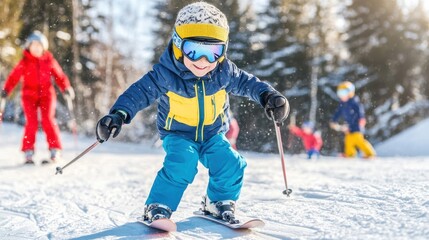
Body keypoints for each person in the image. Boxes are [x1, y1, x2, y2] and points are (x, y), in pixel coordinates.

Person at [95, 2, 289, 224]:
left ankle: (218, 202)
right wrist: (119, 114)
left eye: (214, 52)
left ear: (223, 51)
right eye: (193, 51)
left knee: (231, 163)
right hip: (178, 134)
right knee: (182, 163)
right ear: (178, 46)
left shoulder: (225, 72)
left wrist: (268, 96)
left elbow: (249, 84)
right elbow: (139, 93)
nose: (203, 61)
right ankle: (158, 206)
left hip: (213, 134)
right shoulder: (166, 75)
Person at [1, 31, 74, 164]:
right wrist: (6, 90)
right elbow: (14, 77)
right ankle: (28, 152)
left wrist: (66, 88)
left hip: (47, 94)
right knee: (32, 122)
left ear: (43, 47)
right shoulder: (25, 61)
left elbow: (60, 76)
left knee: (48, 120)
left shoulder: (49, 60)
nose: (36, 48)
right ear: (28, 46)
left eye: (39, 45)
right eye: (33, 45)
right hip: (29, 95)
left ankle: (55, 150)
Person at [329, 81, 376, 158]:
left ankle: (370, 153)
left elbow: (360, 110)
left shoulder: (354, 102)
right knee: (348, 140)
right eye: (340, 93)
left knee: (359, 141)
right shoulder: (342, 104)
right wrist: (333, 120)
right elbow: (338, 113)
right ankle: (350, 154)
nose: (342, 95)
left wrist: (361, 118)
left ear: (350, 93)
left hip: (357, 125)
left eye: (344, 93)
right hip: (349, 125)